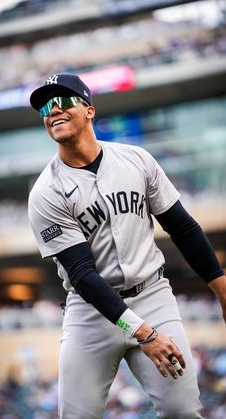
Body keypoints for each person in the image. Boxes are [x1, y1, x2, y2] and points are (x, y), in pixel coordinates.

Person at [28, 73, 226, 419]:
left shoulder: (137, 160)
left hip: (152, 296)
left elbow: (181, 227)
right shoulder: (46, 192)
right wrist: (144, 333)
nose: (52, 110)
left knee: (183, 411)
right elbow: (82, 274)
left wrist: (221, 287)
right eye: (45, 106)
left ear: (89, 110)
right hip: (90, 311)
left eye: (62, 101)